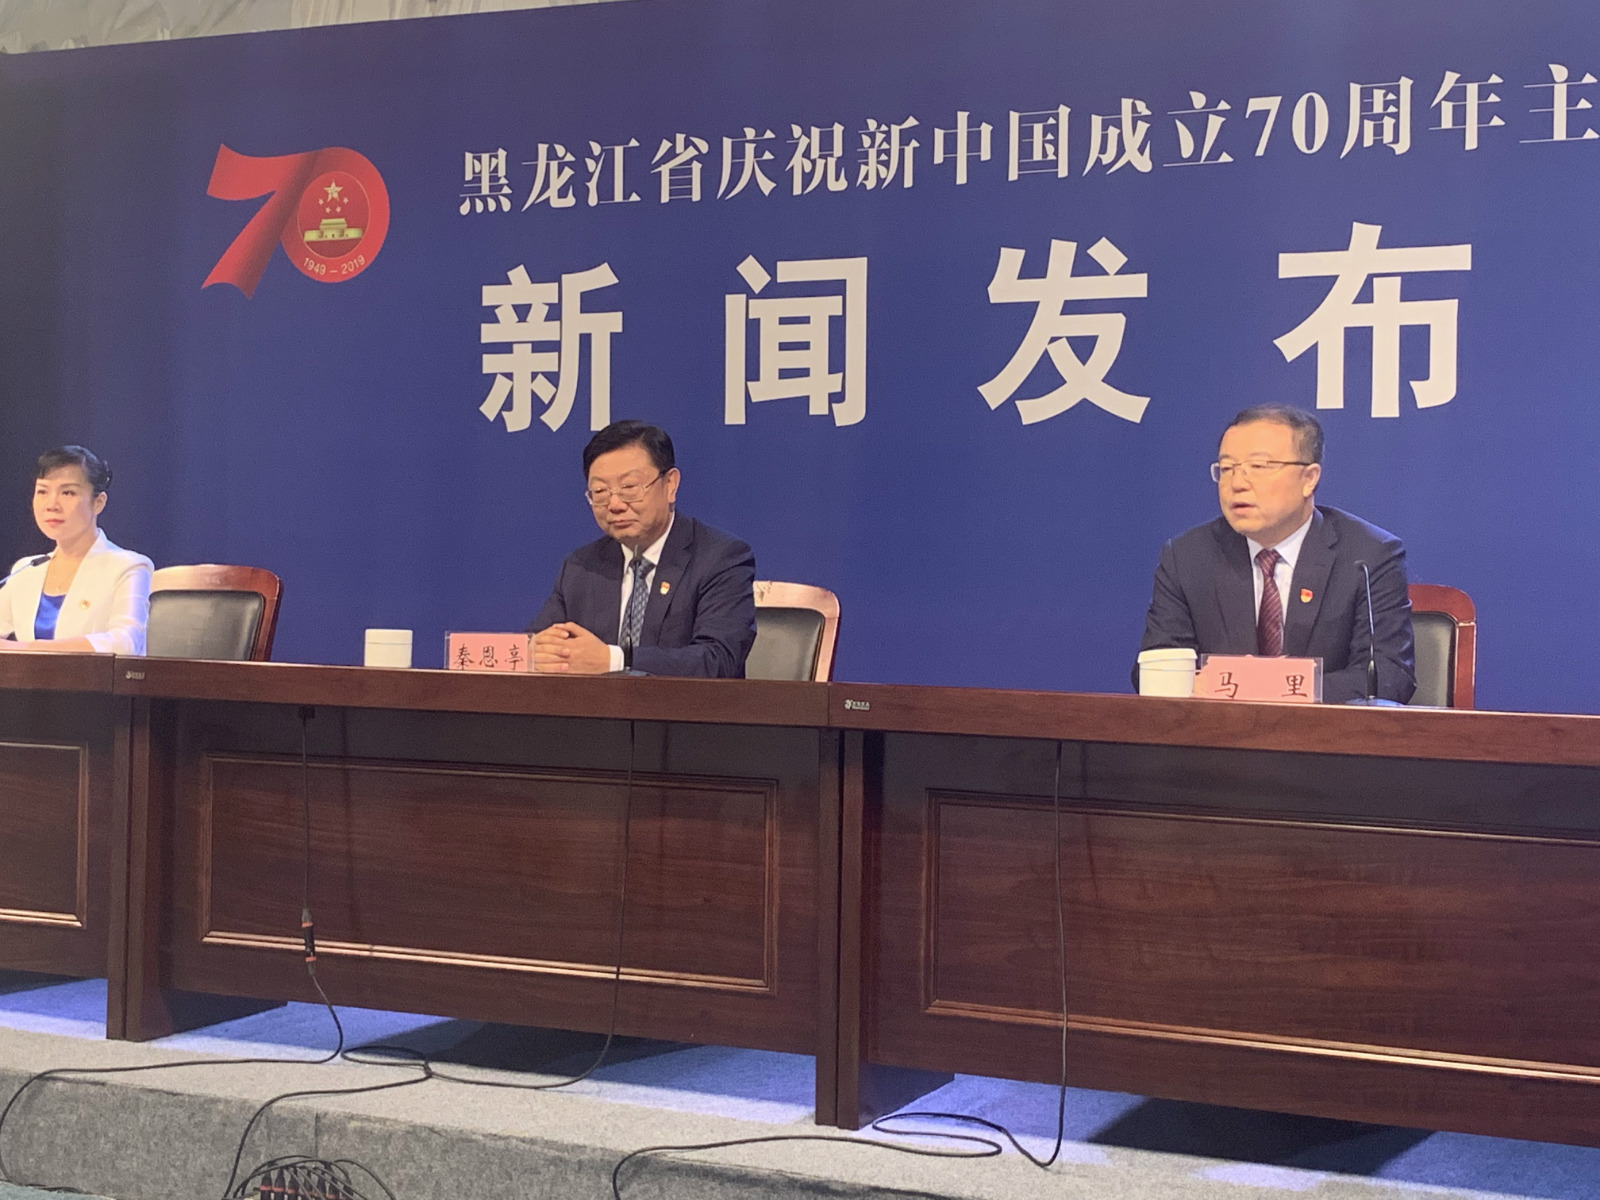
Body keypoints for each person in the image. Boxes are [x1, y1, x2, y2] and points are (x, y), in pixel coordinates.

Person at [1138, 406, 1415, 704]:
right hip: (1219, 732)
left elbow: (1387, 677)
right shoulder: (1188, 557)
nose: (1237, 484)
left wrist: (1258, 686)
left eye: (1258, 467)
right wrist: (1185, 682)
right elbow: (1156, 668)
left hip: (1323, 732)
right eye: (1227, 468)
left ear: (1309, 479)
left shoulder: (1368, 556)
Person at [529, 421, 756, 677]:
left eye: (629, 488)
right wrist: (537, 652)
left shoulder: (720, 558)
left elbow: (718, 661)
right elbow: (539, 643)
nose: (615, 504)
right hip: (593, 704)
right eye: (600, 491)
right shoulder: (581, 566)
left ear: (670, 485)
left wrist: (614, 659)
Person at [0, 446, 153, 655]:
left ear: (98, 503)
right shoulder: (26, 569)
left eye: (68, 492)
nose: (51, 504)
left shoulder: (128, 567)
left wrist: (26, 649)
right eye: (43, 491)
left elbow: (124, 644)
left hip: (94, 678)